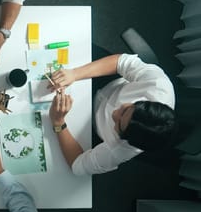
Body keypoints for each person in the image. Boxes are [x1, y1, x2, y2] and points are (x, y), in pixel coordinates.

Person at [48, 53, 177, 175]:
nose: (115, 113)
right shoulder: (158, 85)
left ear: (126, 140)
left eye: (118, 124)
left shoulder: (120, 151)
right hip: (106, 80)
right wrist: (74, 74)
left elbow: (78, 166)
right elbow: (121, 62)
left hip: (90, 126)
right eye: (126, 109)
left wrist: (58, 122)